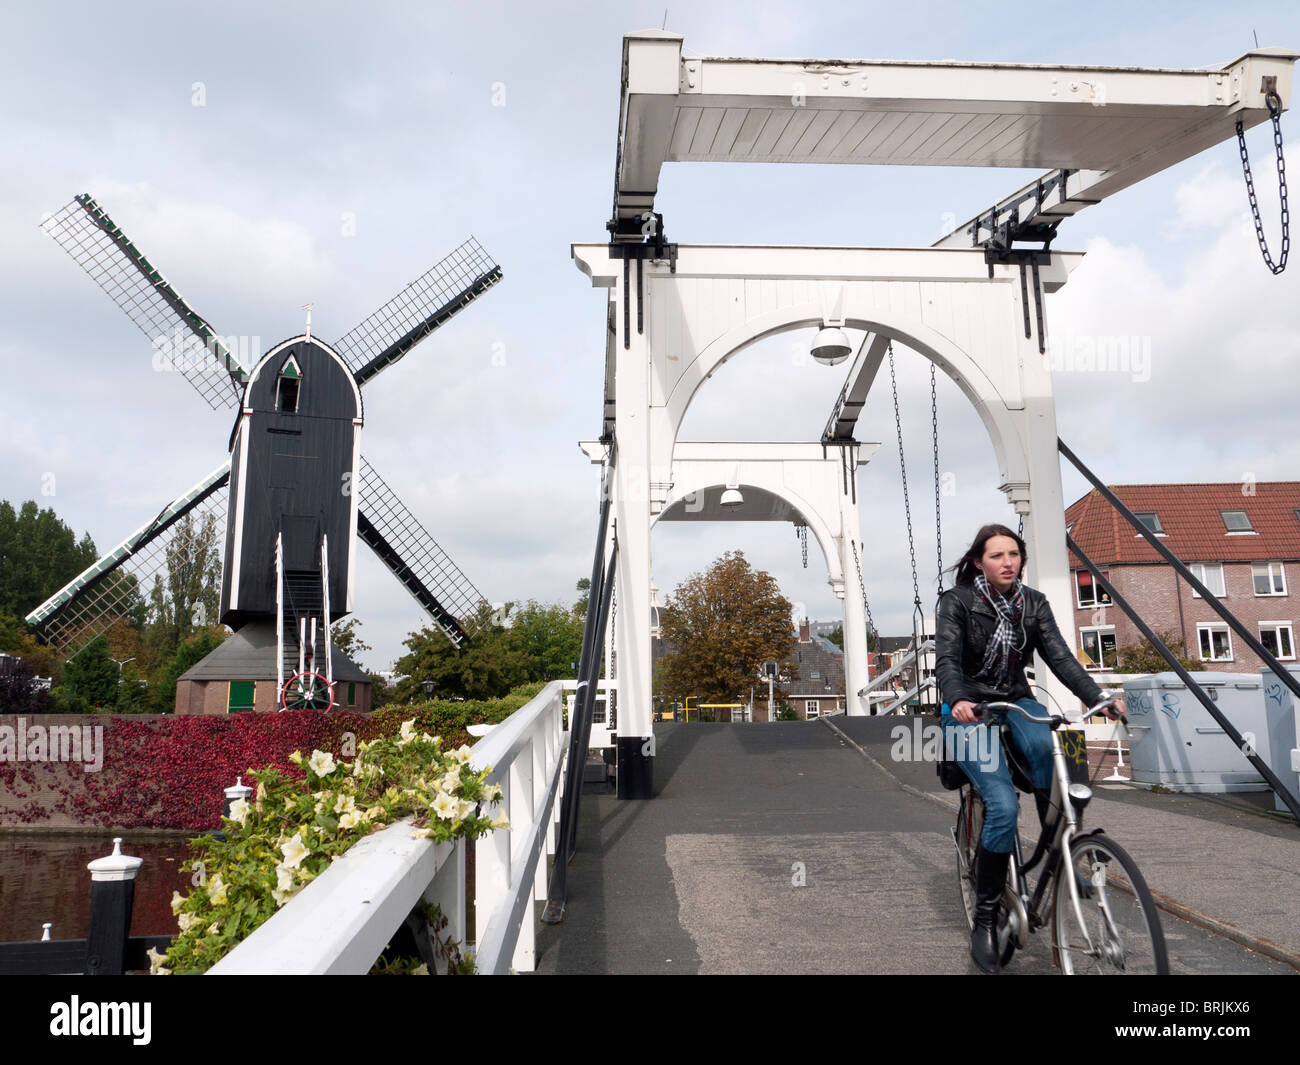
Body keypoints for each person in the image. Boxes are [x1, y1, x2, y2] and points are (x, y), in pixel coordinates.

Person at [934, 523, 1122, 974]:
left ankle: (1060, 854)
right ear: (979, 561)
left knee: (1051, 752)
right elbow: (947, 660)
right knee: (1000, 805)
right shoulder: (956, 602)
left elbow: (1059, 656)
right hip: (968, 707)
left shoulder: (1033, 603)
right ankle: (984, 919)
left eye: (1014, 554)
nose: (1008, 562)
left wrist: (1097, 697)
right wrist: (958, 698)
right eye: (997, 555)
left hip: (1017, 700)